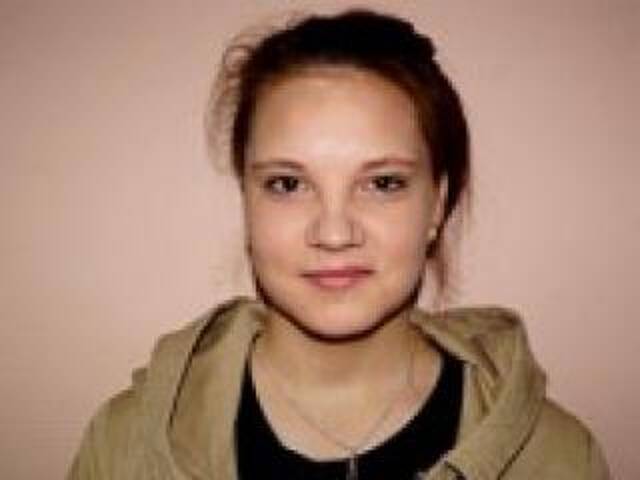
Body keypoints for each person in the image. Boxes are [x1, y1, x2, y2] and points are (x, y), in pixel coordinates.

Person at [68, 9, 610, 480]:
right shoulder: (122, 448)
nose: (333, 234)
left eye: (383, 183)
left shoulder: (557, 458)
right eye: (287, 184)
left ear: (436, 205)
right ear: (247, 199)